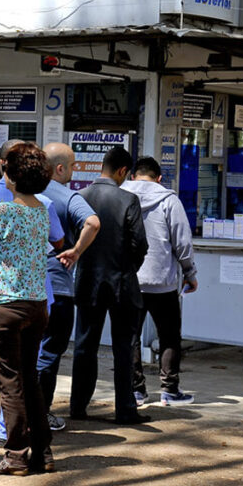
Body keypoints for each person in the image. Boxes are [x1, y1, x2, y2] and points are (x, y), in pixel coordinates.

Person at [0, 139, 66, 442]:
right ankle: (23, 438)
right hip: (35, 297)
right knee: (25, 372)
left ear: (6, 167)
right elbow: (57, 241)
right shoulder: (43, 207)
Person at [69, 146, 149, 424]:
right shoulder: (129, 200)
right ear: (123, 171)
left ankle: (78, 406)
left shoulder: (80, 197)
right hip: (122, 284)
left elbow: (71, 241)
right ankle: (125, 409)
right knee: (124, 347)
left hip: (88, 281)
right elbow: (140, 243)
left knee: (84, 346)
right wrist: (129, 268)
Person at [121, 156, 197, 407]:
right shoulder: (169, 201)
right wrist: (190, 273)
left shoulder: (120, 196)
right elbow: (182, 242)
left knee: (130, 335)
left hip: (130, 279)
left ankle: (136, 391)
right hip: (162, 280)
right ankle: (169, 390)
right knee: (169, 335)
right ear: (159, 178)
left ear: (133, 176)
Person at [38, 143, 101, 426]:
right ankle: (41, 414)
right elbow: (93, 222)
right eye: (73, 166)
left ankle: (10, 416)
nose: (74, 172)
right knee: (49, 352)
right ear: (60, 168)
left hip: (19, 288)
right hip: (57, 287)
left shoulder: (18, 192)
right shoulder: (66, 196)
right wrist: (76, 250)